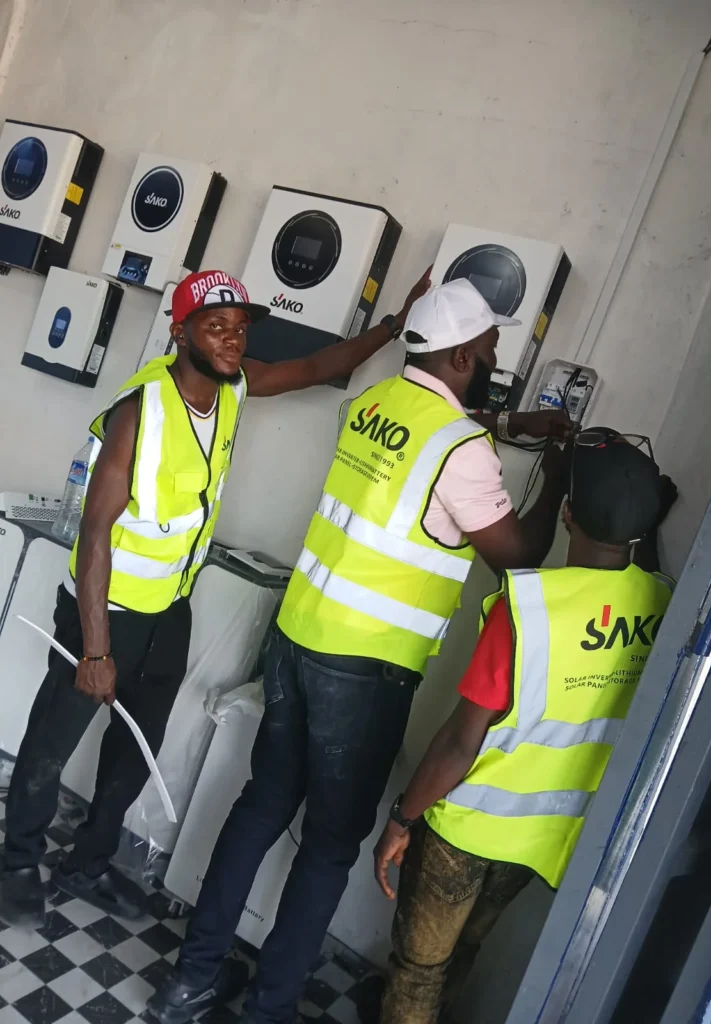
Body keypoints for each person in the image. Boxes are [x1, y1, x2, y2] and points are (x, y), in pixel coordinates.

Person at [150, 278, 571, 1024]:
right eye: (492, 349)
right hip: (367, 673)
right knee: (329, 845)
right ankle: (270, 1008)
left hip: (296, 638)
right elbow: (517, 554)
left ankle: (192, 978)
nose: (495, 357)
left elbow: (432, 431)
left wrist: (505, 421)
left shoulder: (372, 406)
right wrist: (560, 468)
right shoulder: (464, 450)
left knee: (259, 808)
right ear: (469, 354)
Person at [0, 266, 432, 931]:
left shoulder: (233, 389)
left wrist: (396, 325)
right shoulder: (139, 412)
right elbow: (95, 534)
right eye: (217, 327)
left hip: (169, 612)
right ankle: (16, 865)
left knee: (130, 755)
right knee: (52, 744)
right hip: (104, 612)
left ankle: (87, 864)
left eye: (239, 328)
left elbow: (317, 366)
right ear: (180, 334)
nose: (233, 340)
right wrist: (95, 649)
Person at [372, 429, 677, 1024]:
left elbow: (463, 740)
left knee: (417, 970)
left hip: (465, 832)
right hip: (541, 840)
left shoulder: (530, 607)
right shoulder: (662, 604)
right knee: (466, 953)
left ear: (565, 515)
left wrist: (401, 819)